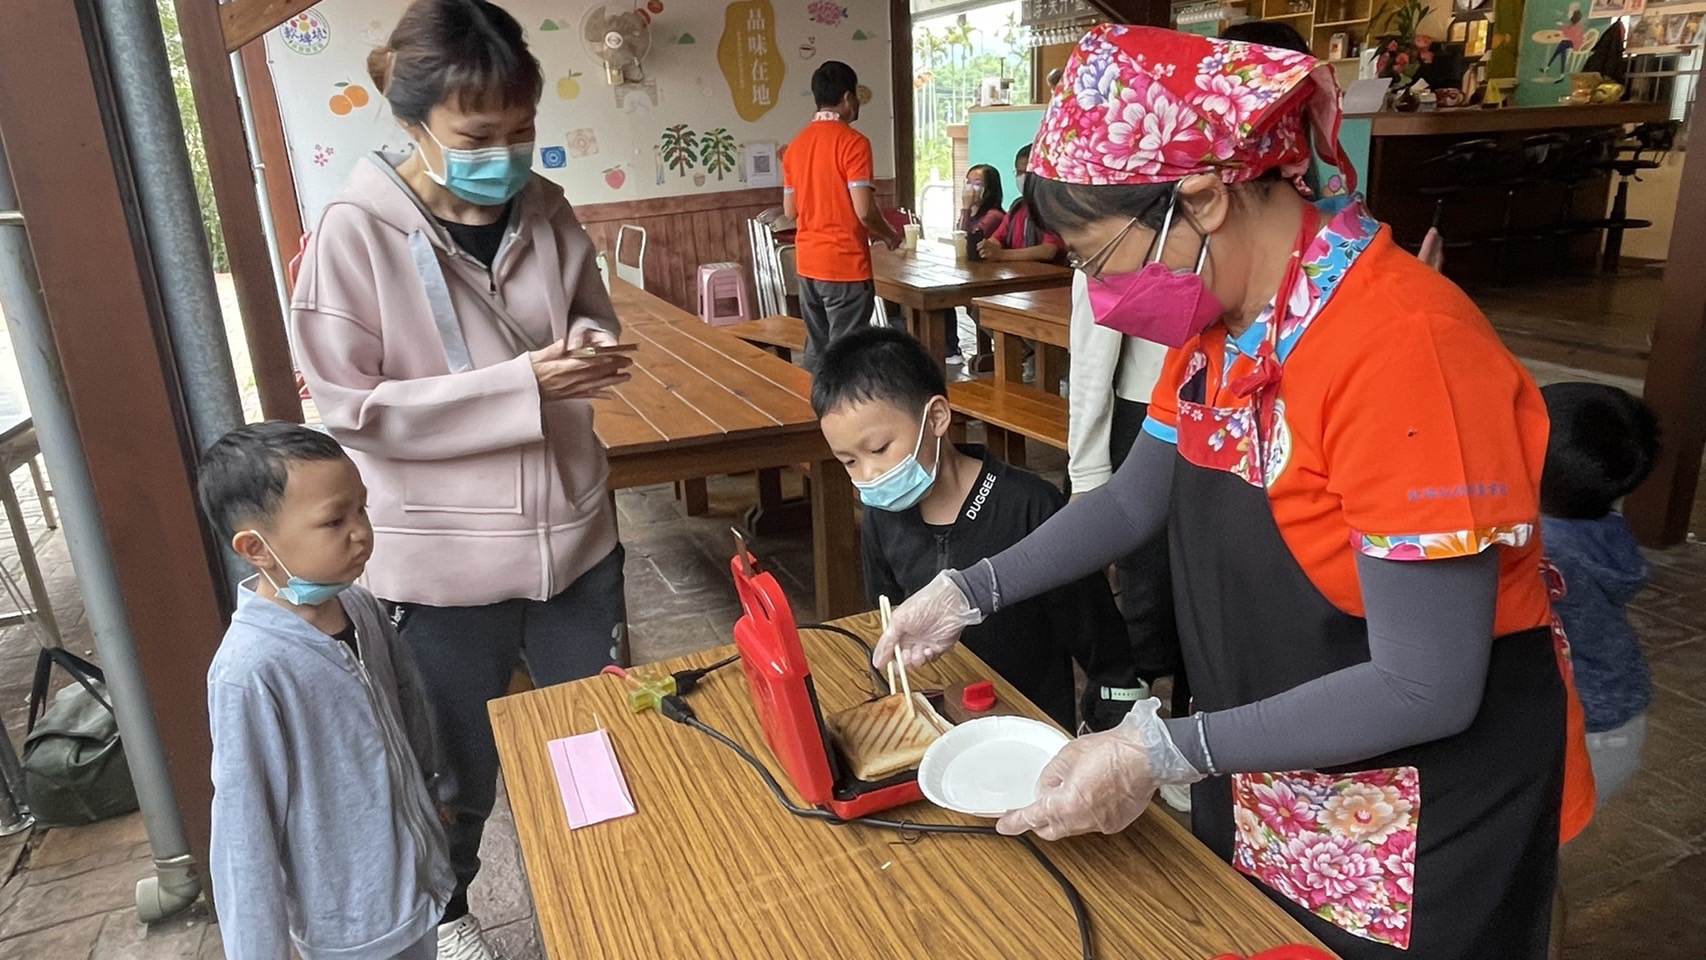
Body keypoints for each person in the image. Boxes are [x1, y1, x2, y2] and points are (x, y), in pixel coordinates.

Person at [873, 26, 1592, 957]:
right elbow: (1134, 501)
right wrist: (969, 590)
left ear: (1204, 198)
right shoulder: (1227, 330)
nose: (1098, 294)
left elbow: (1425, 684)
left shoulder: (1404, 350)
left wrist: (1164, 748)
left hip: (1416, 810)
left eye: (1095, 257)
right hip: (1271, 752)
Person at [289, 3, 632, 956]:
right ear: (414, 123)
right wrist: (520, 386)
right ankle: (449, 921)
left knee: (596, 749)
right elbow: (350, 411)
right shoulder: (353, 234)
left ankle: (607, 909)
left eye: (522, 131)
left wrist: (588, 341)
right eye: (478, 137)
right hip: (439, 570)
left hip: (577, 545)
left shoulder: (546, 208)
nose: (506, 156)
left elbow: (589, 311)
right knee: (452, 776)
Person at [201, 422, 453, 960]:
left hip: (413, 884)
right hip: (351, 925)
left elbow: (406, 702)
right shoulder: (250, 672)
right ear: (256, 547)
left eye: (362, 509)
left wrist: (428, 792)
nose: (361, 532)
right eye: (335, 521)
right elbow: (244, 830)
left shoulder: (357, 604)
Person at [813, 327, 1143, 731]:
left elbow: (1098, 635)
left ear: (937, 418)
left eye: (879, 449)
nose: (868, 474)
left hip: (1029, 724)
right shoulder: (882, 517)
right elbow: (887, 614)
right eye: (848, 461)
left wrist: (1112, 709)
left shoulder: (1030, 506)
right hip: (937, 721)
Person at [1540, 382, 1658, 804]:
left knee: (1528, 840)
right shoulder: (1605, 529)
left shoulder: (1540, 549)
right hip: (1619, 719)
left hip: (1579, 735)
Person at [783, 60, 902, 373]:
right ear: (848, 98)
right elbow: (864, 211)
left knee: (818, 349)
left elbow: (790, 211)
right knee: (846, 357)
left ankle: (811, 401)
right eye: (857, 96)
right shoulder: (854, 143)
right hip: (844, 266)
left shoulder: (795, 147)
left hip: (807, 265)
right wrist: (890, 234)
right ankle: (840, 406)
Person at [977, 145, 1064, 264]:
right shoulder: (1018, 206)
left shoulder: (1054, 207)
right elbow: (997, 239)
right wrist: (985, 248)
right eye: (1019, 172)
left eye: (1027, 173)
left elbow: (1048, 250)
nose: (1022, 178)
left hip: (1050, 274)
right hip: (1017, 272)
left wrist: (1002, 255)